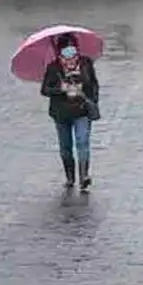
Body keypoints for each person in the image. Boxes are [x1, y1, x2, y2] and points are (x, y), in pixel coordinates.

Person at [41, 33, 100, 191]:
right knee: (66, 147)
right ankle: (70, 177)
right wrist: (61, 89)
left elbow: (94, 84)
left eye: (73, 51)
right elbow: (45, 89)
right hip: (61, 114)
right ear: (60, 53)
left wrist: (92, 101)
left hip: (82, 111)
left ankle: (84, 176)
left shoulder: (86, 63)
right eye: (66, 53)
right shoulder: (54, 68)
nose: (71, 56)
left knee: (83, 143)